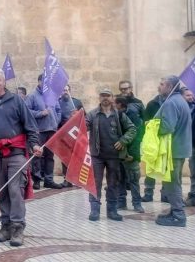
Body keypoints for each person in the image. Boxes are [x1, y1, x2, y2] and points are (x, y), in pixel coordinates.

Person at [0, 68, 41, 247]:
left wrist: (35, 144)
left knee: (15, 190)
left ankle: (18, 227)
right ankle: (5, 226)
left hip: (16, 153)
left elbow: (30, 126)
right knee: (3, 190)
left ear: (4, 81)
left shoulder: (16, 100)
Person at [85, 89, 137, 221]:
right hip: (97, 155)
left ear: (113, 98)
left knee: (113, 183)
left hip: (114, 156)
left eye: (108, 95)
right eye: (103, 95)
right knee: (95, 184)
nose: (105, 98)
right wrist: (79, 120)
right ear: (99, 98)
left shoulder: (119, 115)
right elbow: (83, 127)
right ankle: (95, 210)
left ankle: (112, 210)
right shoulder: (92, 115)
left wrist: (123, 141)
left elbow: (132, 129)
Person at [154, 76, 192, 227]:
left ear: (169, 87)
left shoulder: (171, 102)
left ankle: (178, 215)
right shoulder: (180, 100)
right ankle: (174, 210)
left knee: (171, 183)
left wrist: (153, 128)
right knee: (174, 182)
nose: (159, 87)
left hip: (173, 150)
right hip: (180, 149)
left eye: (162, 84)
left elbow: (168, 127)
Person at [26, 74, 63, 189]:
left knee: (49, 157)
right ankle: (36, 180)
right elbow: (27, 112)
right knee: (37, 156)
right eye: (44, 82)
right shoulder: (32, 96)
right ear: (39, 82)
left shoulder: (52, 95)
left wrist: (56, 121)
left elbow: (58, 110)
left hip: (51, 130)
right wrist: (40, 113)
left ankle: (49, 180)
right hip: (39, 131)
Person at [114, 96, 145, 213]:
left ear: (120, 105)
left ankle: (137, 203)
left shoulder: (132, 115)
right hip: (117, 154)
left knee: (133, 179)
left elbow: (137, 136)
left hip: (130, 155)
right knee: (120, 178)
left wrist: (133, 155)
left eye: (114, 103)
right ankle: (121, 202)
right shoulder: (114, 115)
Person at [58, 84, 83, 187]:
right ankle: (66, 179)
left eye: (67, 90)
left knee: (76, 157)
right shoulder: (58, 103)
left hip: (75, 133)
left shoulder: (77, 102)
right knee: (65, 157)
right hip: (63, 133)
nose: (65, 91)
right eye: (64, 90)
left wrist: (78, 114)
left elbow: (84, 116)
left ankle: (77, 179)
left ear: (70, 91)